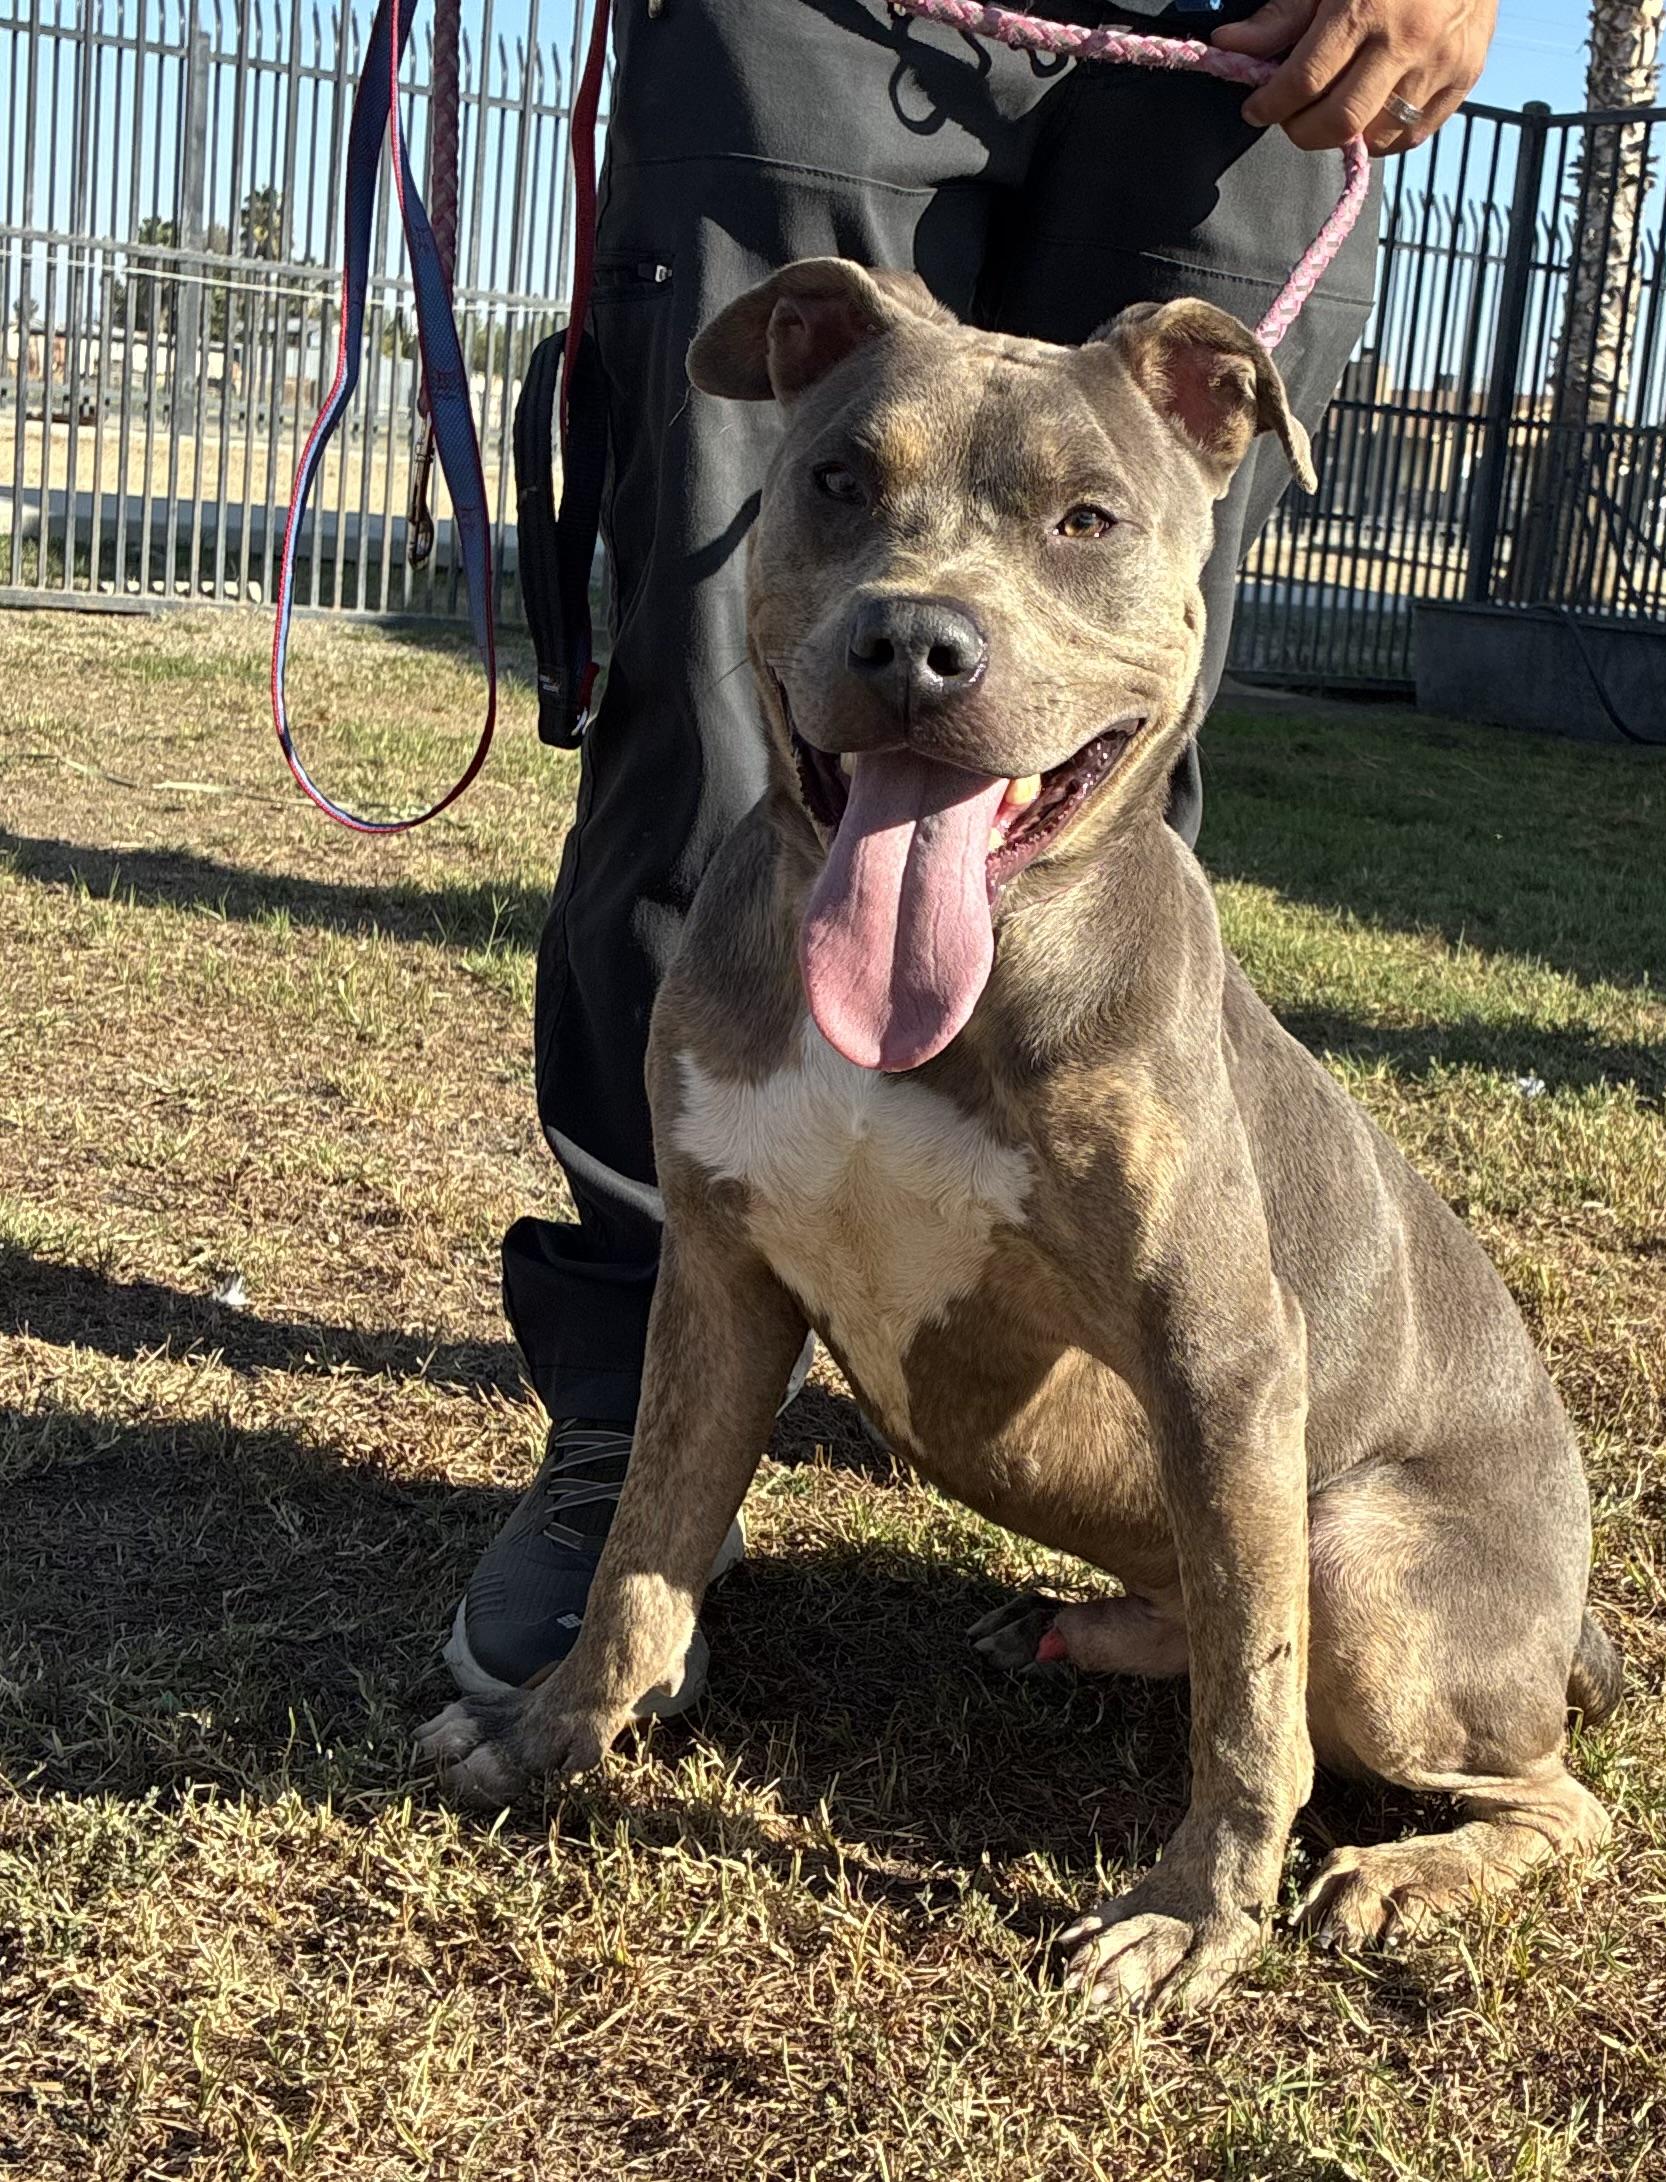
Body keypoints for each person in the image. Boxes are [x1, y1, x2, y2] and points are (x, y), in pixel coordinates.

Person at [445, 0, 1499, 1699]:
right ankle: (633, 1440)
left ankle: (1069, 1377)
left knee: (1085, 771)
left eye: (1075, 528)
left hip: (1254, 28)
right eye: (852, 492)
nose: (925, 623)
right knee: (712, 737)